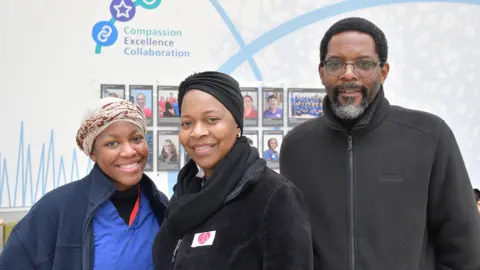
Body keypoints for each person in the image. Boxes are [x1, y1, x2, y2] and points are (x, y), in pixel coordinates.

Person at [279, 17, 480, 270]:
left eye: (363, 64)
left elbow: (463, 243)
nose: (348, 74)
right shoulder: (297, 147)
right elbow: (290, 242)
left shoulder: (429, 136)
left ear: (383, 72)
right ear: (322, 73)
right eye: (335, 64)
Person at [152, 71, 313, 270]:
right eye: (187, 123)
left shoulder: (274, 196)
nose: (197, 132)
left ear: (237, 124)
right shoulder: (185, 192)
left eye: (211, 120)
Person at [0, 98, 169, 269]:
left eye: (136, 138)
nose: (129, 151)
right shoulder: (56, 208)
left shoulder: (159, 204)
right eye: (112, 143)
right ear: (92, 153)